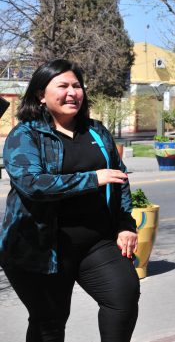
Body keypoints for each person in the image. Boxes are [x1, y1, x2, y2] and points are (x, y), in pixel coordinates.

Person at [0, 59, 139, 342]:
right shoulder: (25, 135)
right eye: (62, 85)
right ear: (41, 94)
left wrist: (126, 224)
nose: (72, 92)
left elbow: (119, 177)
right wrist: (92, 178)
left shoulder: (96, 131)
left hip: (96, 243)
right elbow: (32, 184)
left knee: (123, 297)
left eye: (77, 86)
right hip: (40, 250)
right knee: (49, 324)